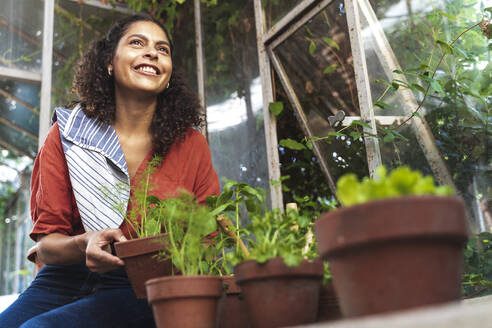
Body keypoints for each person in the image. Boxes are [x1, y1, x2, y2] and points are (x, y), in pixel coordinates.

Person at [0, 14, 220, 328]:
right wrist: (82, 244)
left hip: (140, 284)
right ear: (109, 63)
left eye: (163, 49)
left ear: (169, 74)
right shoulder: (68, 136)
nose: (152, 53)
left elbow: (207, 242)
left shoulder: (190, 145)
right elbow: (48, 245)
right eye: (137, 43)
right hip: (61, 280)